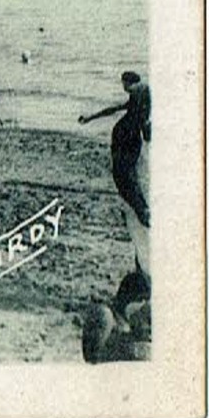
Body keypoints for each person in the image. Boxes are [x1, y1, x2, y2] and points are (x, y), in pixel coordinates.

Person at [80, 71, 151, 279]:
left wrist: (90, 117)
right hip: (128, 142)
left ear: (128, 82)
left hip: (126, 143)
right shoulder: (140, 96)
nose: (123, 86)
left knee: (127, 184)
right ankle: (143, 214)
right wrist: (91, 117)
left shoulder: (140, 92)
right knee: (129, 185)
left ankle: (143, 214)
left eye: (124, 83)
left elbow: (134, 115)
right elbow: (120, 110)